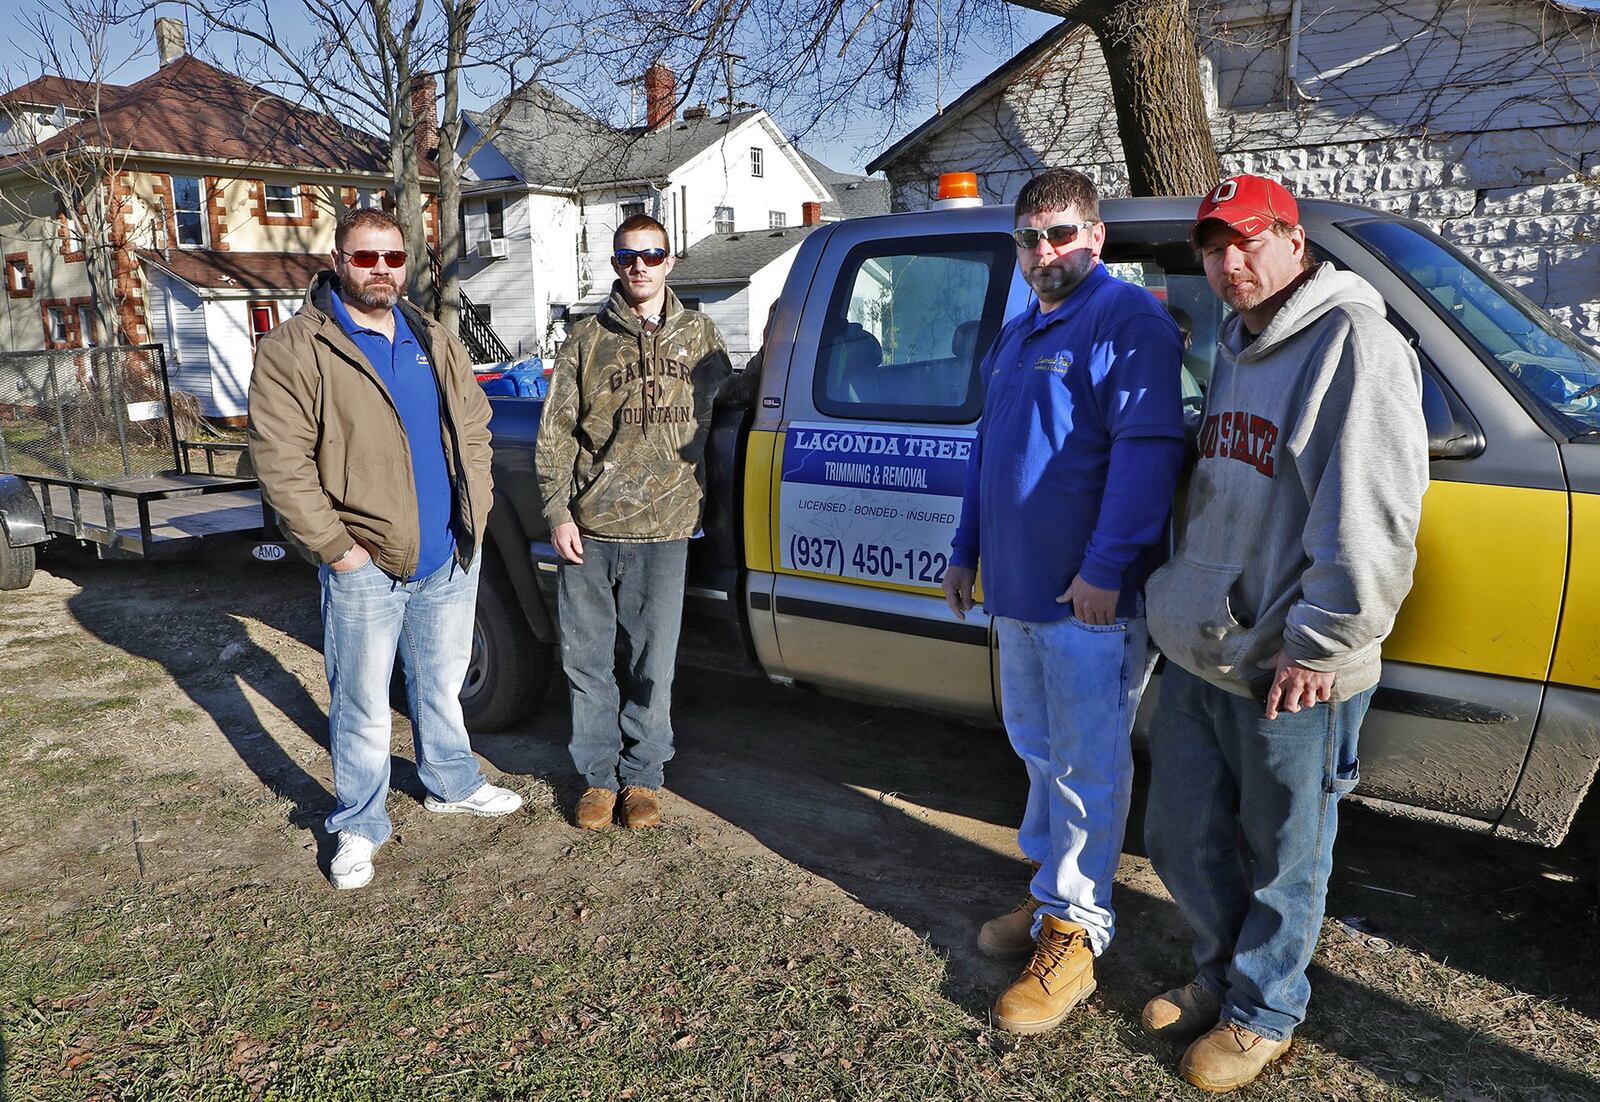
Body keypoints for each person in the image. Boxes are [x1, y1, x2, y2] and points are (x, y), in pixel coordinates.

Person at [1141, 175, 1428, 1092]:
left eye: (1250, 241)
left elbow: (1374, 514)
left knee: (1284, 855)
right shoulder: (1239, 342)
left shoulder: (1357, 345)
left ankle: (1264, 1012)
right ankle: (1222, 977)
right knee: (1183, 838)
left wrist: (1324, 641)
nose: (1231, 263)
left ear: (1294, 243)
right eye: (1214, 247)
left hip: (1290, 663)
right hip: (1208, 648)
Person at [941, 168, 1185, 1035]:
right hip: (1016, 593)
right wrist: (967, 550)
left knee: (1086, 765)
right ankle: (1051, 899)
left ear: (1097, 237)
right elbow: (988, 455)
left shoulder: (1129, 323)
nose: (1046, 252)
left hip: (1088, 601)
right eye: (1031, 238)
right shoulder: (1018, 333)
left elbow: (1147, 455)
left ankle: (1079, 932)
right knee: (1039, 751)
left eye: (1062, 234)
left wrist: (1105, 568)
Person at [249, 207, 521, 892]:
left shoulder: (431, 335)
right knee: (363, 704)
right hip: (364, 561)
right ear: (337, 260)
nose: (380, 271)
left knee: (441, 684)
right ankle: (360, 824)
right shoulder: (298, 348)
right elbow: (281, 463)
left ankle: (451, 782)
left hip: (449, 556)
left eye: (393, 258)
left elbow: (475, 427)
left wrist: (475, 513)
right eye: (366, 258)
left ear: (407, 264)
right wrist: (337, 549)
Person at [535, 213, 732, 831]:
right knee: (588, 659)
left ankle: (643, 777)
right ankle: (596, 778)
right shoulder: (588, 339)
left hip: (668, 528)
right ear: (615, 264)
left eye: (652, 254)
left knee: (654, 662)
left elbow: (729, 406)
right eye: (627, 256)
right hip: (591, 529)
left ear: (670, 260)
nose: (639, 266)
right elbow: (556, 434)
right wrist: (557, 512)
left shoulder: (701, 335)